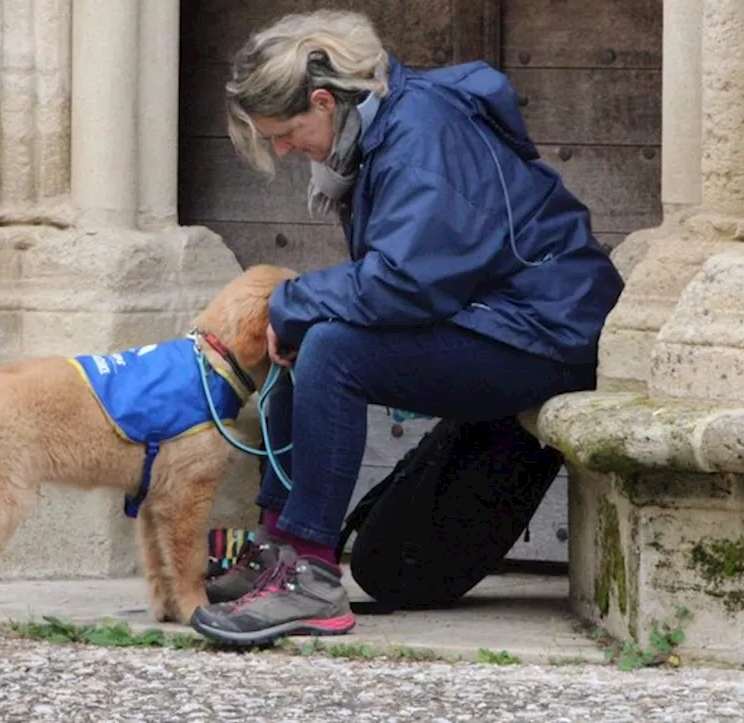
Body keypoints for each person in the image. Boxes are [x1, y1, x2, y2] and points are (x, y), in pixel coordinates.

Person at [187, 10, 625, 646]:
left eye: (286, 132)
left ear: (323, 101)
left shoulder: (421, 137)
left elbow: (407, 282)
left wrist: (295, 301)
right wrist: (300, 310)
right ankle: (281, 547)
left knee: (330, 345)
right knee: (311, 332)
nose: (283, 150)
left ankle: (309, 577)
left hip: (548, 332)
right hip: (500, 318)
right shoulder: (386, 126)